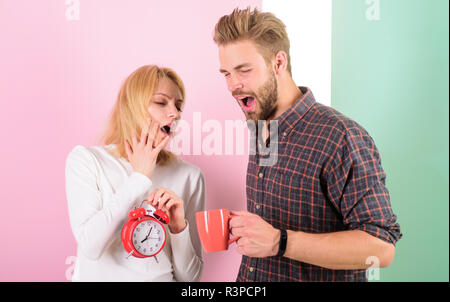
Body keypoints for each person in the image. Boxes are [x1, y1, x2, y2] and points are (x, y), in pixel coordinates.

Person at [213, 8, 402, 281]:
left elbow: (381, 249)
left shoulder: (341, 137)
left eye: (244, 70)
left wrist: (281, 242)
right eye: (226, 74)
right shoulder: (259, 125)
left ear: (278, 63)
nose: (232, 85)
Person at [65, 65, 205, 281]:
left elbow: (190, 280)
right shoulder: (87, 161)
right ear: (132, 107)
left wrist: (179, 228)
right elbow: (91, 247)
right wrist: (139, 177)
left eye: (178, 106)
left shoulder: (189, 176)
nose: (175, 113)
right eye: (161, 102)